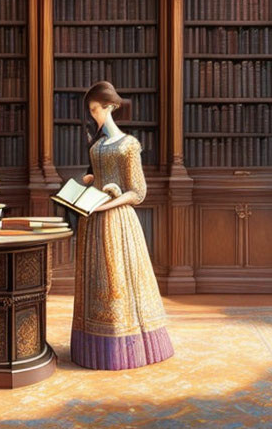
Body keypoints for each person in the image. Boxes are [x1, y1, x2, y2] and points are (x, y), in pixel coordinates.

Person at [70, 80, 174, 370]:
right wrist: (90, 182)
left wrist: (109, 201)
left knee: (118, 282)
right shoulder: (98, 145)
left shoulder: (129, 145)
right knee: (97, 282)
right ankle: (93, 346)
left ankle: (125, 349)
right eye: (90, 111)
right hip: (93, 222)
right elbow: (99, 177)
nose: (93, 116)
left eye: (96, 109)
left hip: (116, 222)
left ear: (110, 106)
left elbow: (138, 192)